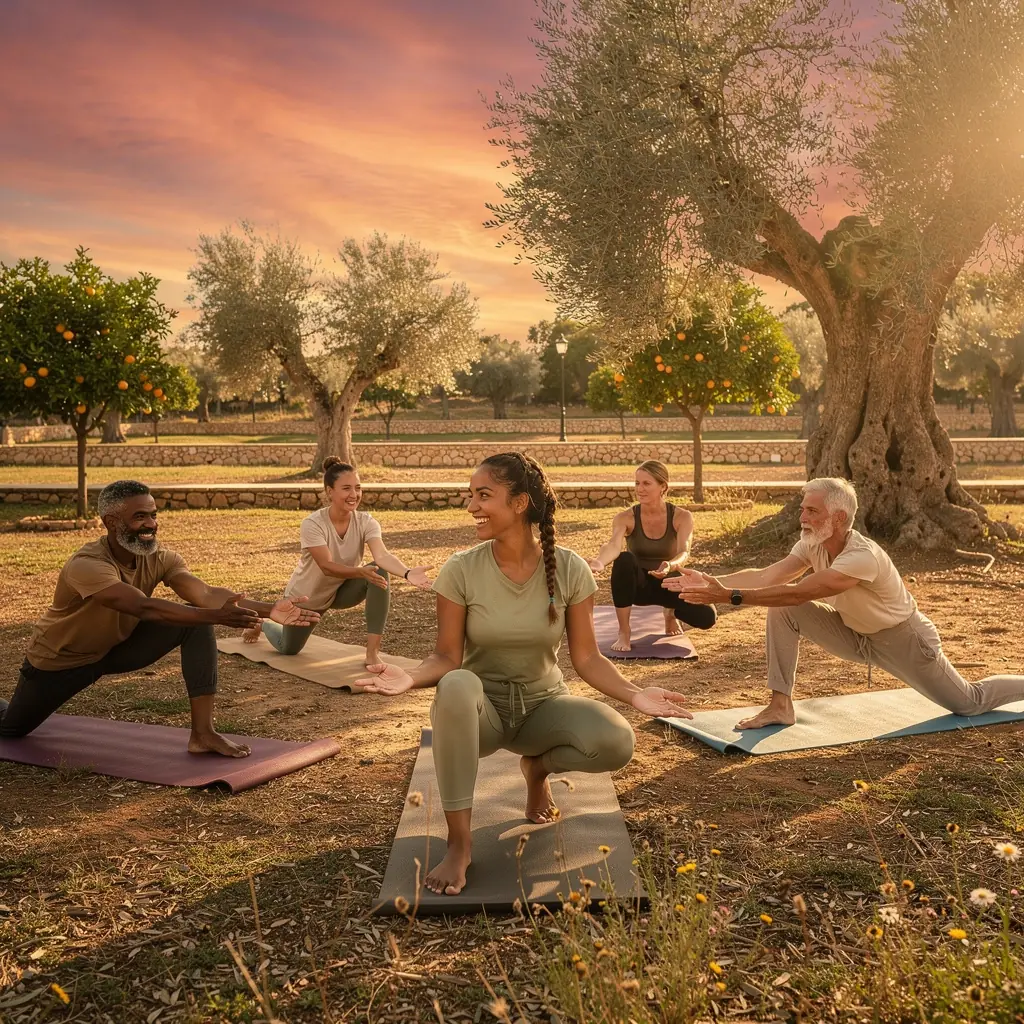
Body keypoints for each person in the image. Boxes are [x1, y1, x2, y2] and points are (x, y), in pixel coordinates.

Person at [356, 452, 693, 896]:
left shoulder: (569, 568)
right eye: (470, 495)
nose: (471, 506)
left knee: (616, 740)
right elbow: (445, 657)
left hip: (541, 709)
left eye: (483, 496)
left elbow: (588, 659)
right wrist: (412, 676)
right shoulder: (462, 568)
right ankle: (460, 844)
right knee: (456, 683)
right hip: (482, 716)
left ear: (519, 504)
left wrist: (634, 695)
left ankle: (536, 770)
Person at [665, 476, 1024, 729]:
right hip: (854, 635)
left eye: (812, 511)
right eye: (802, 509)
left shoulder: (861, 556)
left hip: (905, 640)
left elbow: (802, 591)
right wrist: (716, 581)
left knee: (969, 703)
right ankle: (780, 705)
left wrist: (728, 597)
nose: (802, 518)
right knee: (782, 608)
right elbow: (768, 576)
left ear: (838, 518)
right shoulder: (812, 543)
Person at [0, 479, 320, 756]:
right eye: (140, 517)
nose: (151, 524)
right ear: (111, 522)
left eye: (153, 515)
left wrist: (270, 610)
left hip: (114, 651)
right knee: (12, 729)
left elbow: (205, 594)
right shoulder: (87, 564)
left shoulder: (161, 558)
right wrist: (215, 615)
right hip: (59, 663)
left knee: (195, 626)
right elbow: (143, 607)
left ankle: (203, 734)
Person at [243, 457, 431, 667]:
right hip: (306, 598)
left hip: (340, 591)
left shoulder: (366, 522)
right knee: (289, 649)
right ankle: (263, 622)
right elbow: (327, 566)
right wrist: (360, 571)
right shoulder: (313, 524)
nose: (354, 494)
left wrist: (407, 572)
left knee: (379, 573)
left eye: (358, 488)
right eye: (346, 488)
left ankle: (372, 653)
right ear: (330, 491)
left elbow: (382, 556)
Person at [587, 460, 717, 651]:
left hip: (671, 584)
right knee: (623, 559)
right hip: (640, 586)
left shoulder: (682, 516)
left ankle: (670, 613)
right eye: (637, 483)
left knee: (707, 617)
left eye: (647, 483)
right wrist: (600, 562)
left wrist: (670, 566)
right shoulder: (626, 517)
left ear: (663, 486)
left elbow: (684, 551)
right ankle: (624, 632)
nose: (640, 489)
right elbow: (613, 545)